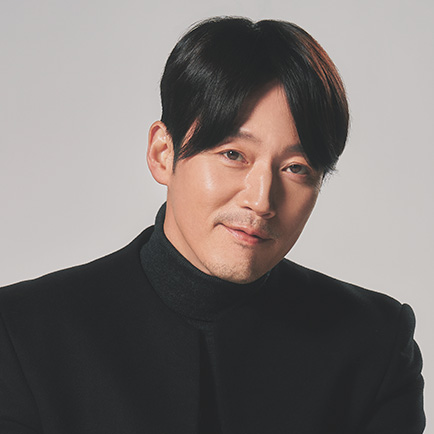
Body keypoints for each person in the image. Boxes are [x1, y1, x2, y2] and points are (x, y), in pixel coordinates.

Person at [0, 16, 425, 434]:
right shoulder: (22, 334)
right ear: (163, 153)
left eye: (296, 168)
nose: (261, 200)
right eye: (233, 155)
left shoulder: (375, 345)